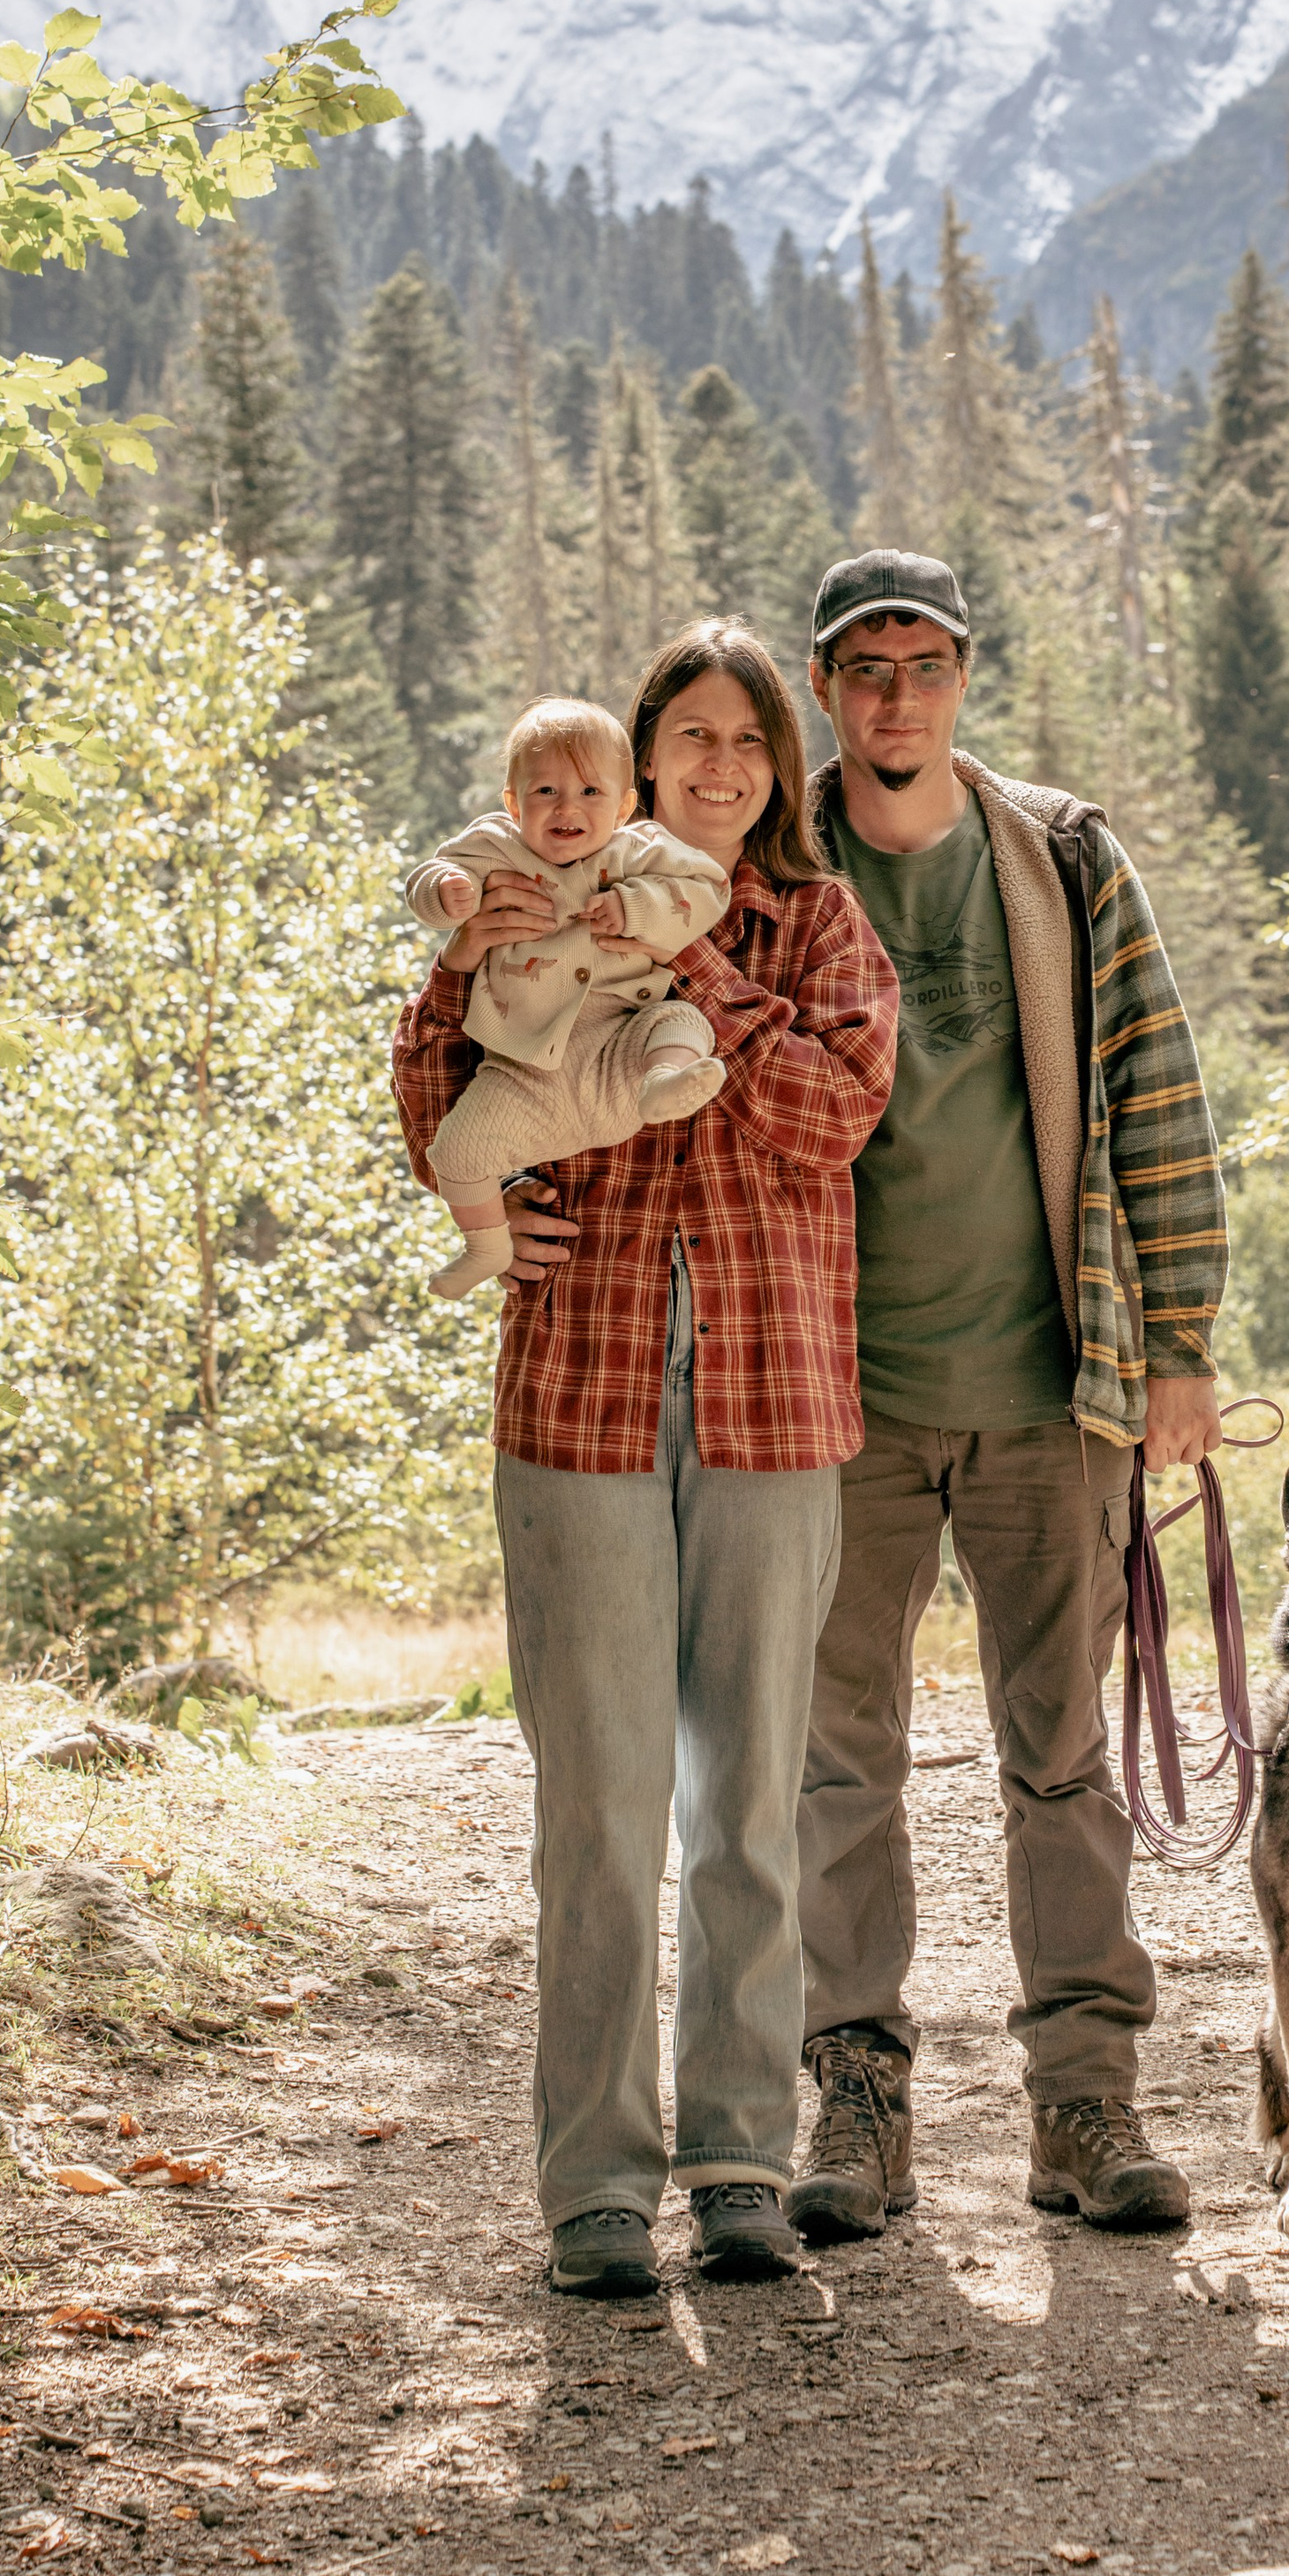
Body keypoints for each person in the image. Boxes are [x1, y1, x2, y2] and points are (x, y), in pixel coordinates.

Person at [390, 620, 899, 2297]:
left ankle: (741, 2158)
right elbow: (429, 1062)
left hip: (770, 1402)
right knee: (599, 1805)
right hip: (582, 1395)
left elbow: (835, 1113)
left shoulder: (815, 921)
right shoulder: (550, 883)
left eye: (750, 742)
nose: (722, 767)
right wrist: (488, 1196)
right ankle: (598, 2183)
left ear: (780, 766)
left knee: (746, 1796)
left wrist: (699, 975)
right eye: (689, 737)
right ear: (638, 756)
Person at [787, 548, 1229, 2243]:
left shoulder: (1061, 858)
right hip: (831, 1405)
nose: (896, 696)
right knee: (842, 1765)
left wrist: (1177, 1341)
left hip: (1056, 1387)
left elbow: (1160, 1099)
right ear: (827, 692)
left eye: (925, 663)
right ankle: (857, 2104)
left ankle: (1084, 2108)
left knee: (1062, 1757)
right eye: (865, 669)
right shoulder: (768, 867)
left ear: (965, 678)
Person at [403, 694, 729, 1296]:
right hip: (523, 1076)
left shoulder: (638, 850)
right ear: (513, 803)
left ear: (626, 805)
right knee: (454, 1152)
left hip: (620, 1058)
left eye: (590, 793)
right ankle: (485, 1245)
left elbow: (708, 888)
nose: (566, 808)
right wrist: (445, 893)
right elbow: (427, 876)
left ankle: (664, 1083)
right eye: (546, 792)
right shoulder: (498, 847)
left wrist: (636, 908)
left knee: (682, 1021)